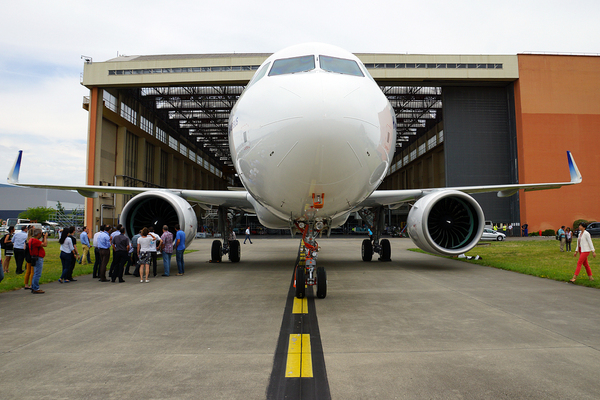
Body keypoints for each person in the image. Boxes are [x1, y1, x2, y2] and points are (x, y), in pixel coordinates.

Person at [29, 228, 48, 294]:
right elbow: (45, 244)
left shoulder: (31, 240)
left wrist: (43, 238)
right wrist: (45, 237)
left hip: (34, 257)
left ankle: (34, 287)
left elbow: (41, 244)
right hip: (38, 258)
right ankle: (36, 288)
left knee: (35, 273)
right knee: (37, 273)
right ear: (38, 234)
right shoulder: (35, 241)